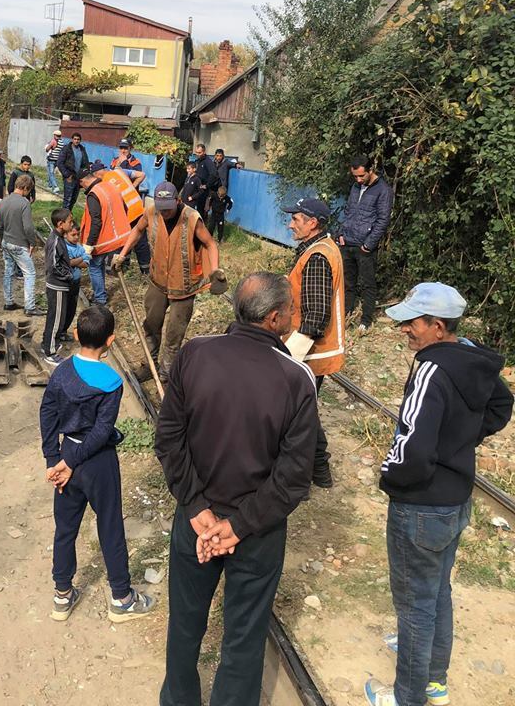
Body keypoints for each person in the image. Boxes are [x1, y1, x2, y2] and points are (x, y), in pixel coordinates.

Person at [155, 272, 319, 706]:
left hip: (196, 524)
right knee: (244, 635)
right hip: (257, 533)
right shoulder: (296, 379)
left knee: (186, 624)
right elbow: (294, 476)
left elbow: (168, 435)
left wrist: (195, 505)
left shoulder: (194, 353)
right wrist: (239, 526)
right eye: (290, 309)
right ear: (273, 318)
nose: (293, 315)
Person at [365, 283, 513, 706]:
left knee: (414, 605)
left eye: (413, 323)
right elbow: (502, 408)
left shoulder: (430, 368)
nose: (405, 330)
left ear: (437, 326)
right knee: (436, 591)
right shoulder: (473, 358)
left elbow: (411, 446)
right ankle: (435, 679)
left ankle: (408, 696)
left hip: (420, 505)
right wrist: (459, 442)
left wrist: (389, 476)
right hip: (455, 500)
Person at [40, 304, 156, 623]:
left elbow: (47, 414)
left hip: (66, 456)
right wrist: (72, 460)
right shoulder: (112, 381)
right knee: (109, 525)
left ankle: (62, 595)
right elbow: (103, 429)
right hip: (98, 460)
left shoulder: (61, 372)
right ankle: (121, 598)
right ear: (111, 340)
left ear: (76, 334)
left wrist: (56, 460)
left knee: (65, 528)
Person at [113, 181, 224, 385]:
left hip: (184, 287)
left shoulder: (191, 218)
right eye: (161, 208)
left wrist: (215, 270)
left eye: (168, 209)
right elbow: (137, 230)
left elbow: (210, 244)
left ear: (178, 201)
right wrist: (122, 254)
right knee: (151, 324)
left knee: (174, 333)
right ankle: (149, 365)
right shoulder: (151, 212)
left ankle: (166, 373)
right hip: (158, 281)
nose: (164, 213)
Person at [283, 197, 344, 488]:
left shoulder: (318, 257)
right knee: (303, 413)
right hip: (312, 353)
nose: (290, 224)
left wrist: (287, 356)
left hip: (311, 354)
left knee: (298, 416)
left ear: (312, 223)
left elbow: (316, 316)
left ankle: (308, 475)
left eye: (296, 219)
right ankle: (318, 473)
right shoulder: (320, 248)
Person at [336, 155, 394, 332]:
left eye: (362, 176)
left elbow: (383, 220)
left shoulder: (384, 190)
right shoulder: (355, 186)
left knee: (368, 284)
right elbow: (348, 211)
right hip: (347, 242)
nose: (359, 180)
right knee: (347, 284)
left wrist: (369, 244)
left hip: (365, 246)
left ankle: (366, 321)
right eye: (355, 176)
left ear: (370, 170)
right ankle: (346, 317)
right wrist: (340, 233)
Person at [78, 163, 131, 305]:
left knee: (95, 266)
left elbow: (96, 222)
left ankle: (100, 299)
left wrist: (89, 244)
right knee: (104, 265)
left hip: (104, 241)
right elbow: (124, 208)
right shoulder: (110, 186)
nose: (82, 188)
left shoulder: (93, 194)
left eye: (81, 185)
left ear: (83, 181)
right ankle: (101, 296)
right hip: (121, 237)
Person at [0, 175, 40, 316]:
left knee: (9, 271)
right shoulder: (24, 203)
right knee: (30, 273)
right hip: (19, 244)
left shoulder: (3, 201)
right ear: (26, 188)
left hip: (6, 242)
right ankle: (30, 306)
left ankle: (9, 302)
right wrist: (32, 242)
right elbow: (28, 228)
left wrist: (3, 238)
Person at [97, 165, 151, 275]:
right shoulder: (119, 172)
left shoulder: (105, 183)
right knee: (141, 240)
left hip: (128, 212)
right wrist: (133, 186)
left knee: (122, 238)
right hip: (138, 207)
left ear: (98, 175)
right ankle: (146, 270)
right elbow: (142, 174)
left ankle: (114, 268)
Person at [42, 207, 75, 365]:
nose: (72, 223)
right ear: (61, 224)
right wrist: (68, 275)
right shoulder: (55, 241)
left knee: (55, 316)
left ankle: (46, 343)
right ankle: (50, 352)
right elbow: (53, 266)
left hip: (59, 285)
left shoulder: (59, 237)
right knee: (56, 319)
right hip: (57, 286)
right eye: (70, 221)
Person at [63, 222, 90, 336]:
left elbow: (85, 264)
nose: (76, 237)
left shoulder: (79, 248)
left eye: (78, 235)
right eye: (73, 235)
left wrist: (76, 261)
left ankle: (64, 330)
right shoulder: (64, 247)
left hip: (75, 281)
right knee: (63, 308)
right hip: (65, 282)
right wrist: (81, 258)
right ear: (65, 234)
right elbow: (68, 262)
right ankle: (59, 331)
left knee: (71, 309)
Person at [57, 132, 89, 210]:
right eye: (75, 139)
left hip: (78, 178)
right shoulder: (67, 149)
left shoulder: (82, 149)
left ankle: (69, 214)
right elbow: (60, 162)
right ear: (72, 139)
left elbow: (86, 163)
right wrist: (67, 175)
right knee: (67, 199)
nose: (76, 141)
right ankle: (64, 216)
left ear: (80, 140)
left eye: (78, 139)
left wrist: (84, 174)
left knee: (74, 199)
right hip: (69, 177)